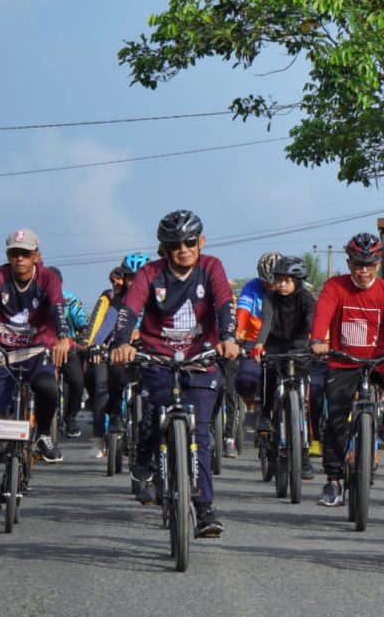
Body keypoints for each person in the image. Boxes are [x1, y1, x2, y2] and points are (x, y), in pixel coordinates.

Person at [110, 210, 239, 538]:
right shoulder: (150, 274)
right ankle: (147, 463)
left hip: (202, 359)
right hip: (158, 359)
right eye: (174, 244)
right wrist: (123, 342)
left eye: (189, 242)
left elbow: (225, 303)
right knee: (153, 416)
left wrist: (227, 338)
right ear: (164, 248)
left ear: (201, 242)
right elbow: (130, 309)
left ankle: (205, 508)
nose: (183, 249)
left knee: (202, 433)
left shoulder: (212, 268)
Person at [310, 233, 384, 507]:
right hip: (342, 362)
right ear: (349, 263)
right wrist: (319, 340)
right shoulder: (335, 286)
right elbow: (323, 312)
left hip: (378, 360)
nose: (363, 270)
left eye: (369, 264)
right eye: (358, 264)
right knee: (335, 420)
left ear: (378, 264)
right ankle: (333, 480)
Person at [0, 228, 72, 508]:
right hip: (4, 350)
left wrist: (63, 338)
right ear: (8, 255)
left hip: (38, 349)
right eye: (15, 253)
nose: (20, 259)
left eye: (26, 254)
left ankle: (41, 436)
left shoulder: (48, 278)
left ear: (36, 256)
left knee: (47, 387)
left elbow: (58, 308)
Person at [252, 255, 323, 481]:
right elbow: (267, 321)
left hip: (300, 347)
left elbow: (313, 319)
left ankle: (303, 454)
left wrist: (317, 340)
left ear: (298, 280)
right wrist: (260, 344)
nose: (282, 284)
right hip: (274, 346)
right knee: (268, 375)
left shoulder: (306, 298)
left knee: (305, 398)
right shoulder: (270, 298)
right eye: (279, 279)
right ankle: (264, 414)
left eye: (288, 280)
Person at [80, 258, 141, 457]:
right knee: (101, 392)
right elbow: (97, 324)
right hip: (110, 351)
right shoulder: (110, 298)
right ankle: (99, 437)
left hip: (143, 352)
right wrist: (91, 345)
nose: (134, 282)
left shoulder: (157, 298)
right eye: (131, 278)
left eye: (138, 277)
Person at [234, 251, 281, 428]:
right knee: (245, 379)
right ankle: (252, 407)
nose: (270, 286)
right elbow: (243, 311)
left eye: (274, 281)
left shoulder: (290, 286)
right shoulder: (252, 288)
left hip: (280, 341)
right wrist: (238, 331)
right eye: (265, 281)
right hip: (253, 340)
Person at [45, 266, 89, 439]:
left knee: (78, 382)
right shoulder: (38, 297)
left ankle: (71, 418)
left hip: (68, 348)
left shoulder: (69, 298)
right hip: (43, 349)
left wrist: (84, 332)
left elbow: (80, 318)